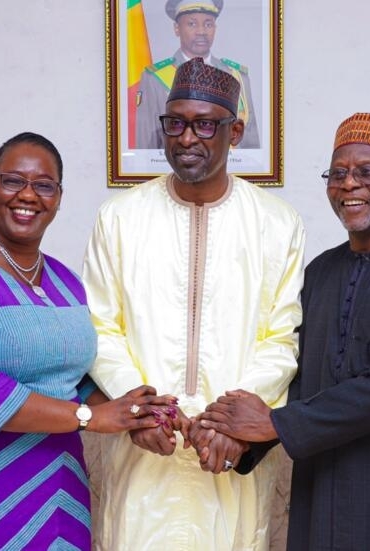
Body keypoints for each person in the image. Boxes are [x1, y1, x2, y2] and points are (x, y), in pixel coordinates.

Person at [200, 113, 370, 550]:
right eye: (339, 173)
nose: (349, 184)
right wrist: (237, 439)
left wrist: (271, 422)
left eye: (367, 172)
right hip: (326, 492)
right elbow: (298, 378)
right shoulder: (319, 273)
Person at [0, 132, 177, 550]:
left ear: (58, 197)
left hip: (62, 484)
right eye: (13, 181)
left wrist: (136, 411)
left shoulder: (66, 282)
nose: (28, 195)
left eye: (44, 185)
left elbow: (76, 378)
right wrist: (91, 419)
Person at [83, 58, 305, 550]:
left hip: (227, 454)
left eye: (206, 124)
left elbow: (281, 338)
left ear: (236, 130)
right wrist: (141, 410)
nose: (187, 138)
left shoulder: (277, 223)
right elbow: (100, 327)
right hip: (144, 452)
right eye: (176, 123)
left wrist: (229, 424)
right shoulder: (119, 218)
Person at [134, 0, 261, 150]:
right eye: (192, 24)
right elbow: (145, 148)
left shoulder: (237, 76)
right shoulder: (155, 79)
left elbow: (251, 147)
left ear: (215, 28)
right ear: (176, 28)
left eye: (208, 24)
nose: (201, 31)